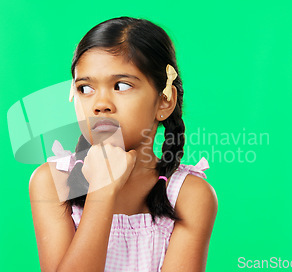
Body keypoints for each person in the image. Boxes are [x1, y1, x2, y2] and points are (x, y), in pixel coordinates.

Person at [29, 16, 218, 272]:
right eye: (85, 88)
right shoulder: (54, 182)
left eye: (121, 85)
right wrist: (102, 192)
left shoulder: (189, 196)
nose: (100, 103)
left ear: (164, 100)